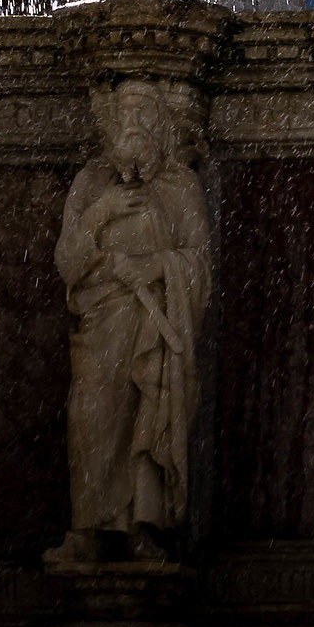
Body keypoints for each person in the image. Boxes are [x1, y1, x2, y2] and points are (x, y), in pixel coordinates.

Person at [47, 82, 209, 567]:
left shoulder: (181, 185)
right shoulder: (91, 183)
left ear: (162, 122)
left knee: (149, 413)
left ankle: (144, 528)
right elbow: (66, 262)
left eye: (144, 111)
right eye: (124, 113)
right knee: (91, 415)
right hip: (98, 326)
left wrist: (159, 265)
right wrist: (101, 213)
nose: (133, 121)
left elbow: (199, 260)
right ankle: (88, 528)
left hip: (152, 324)